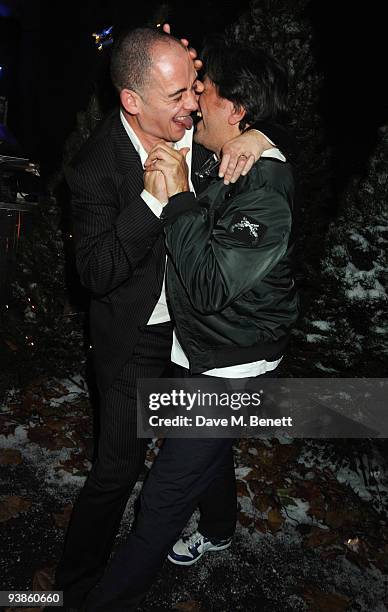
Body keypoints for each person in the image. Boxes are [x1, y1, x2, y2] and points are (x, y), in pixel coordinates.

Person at [53, 26, 287, 610]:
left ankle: (216, 527)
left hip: (200, 338)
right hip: (137, 338)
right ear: (133, 101)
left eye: (193, 90)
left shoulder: (200, 133)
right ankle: (69, 589)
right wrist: (154, 203)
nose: (190, 104)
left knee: (200, 441)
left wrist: (257, 136)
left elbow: (245, 124)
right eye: (177, 95)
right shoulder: (95, 167)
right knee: (119, 468)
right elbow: (98, 272)